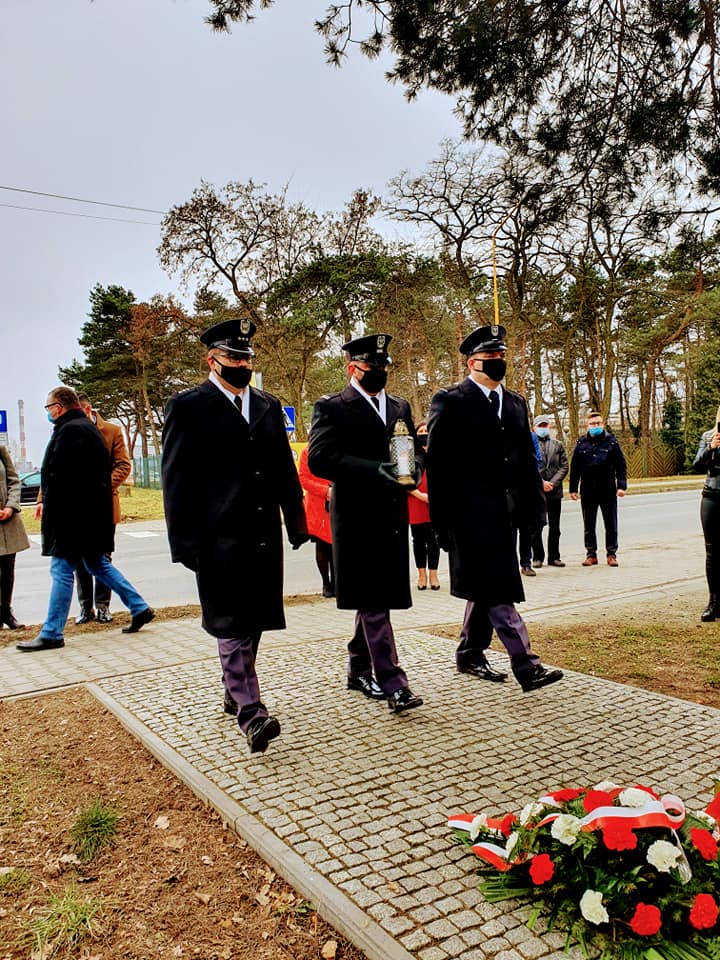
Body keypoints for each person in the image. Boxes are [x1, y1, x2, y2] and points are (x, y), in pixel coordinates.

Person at [162, 318, 309, 754]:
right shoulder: (188, 406)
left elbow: (284, 467)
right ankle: (252, 713)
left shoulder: (266, 404)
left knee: (255, 619)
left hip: (262, 534)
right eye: (234, 357)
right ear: (213, 360)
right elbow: (175, 479)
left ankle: (234, 688)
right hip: (216, 537)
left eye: (247, 358)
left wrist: (297, 521)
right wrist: (184, 542)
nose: (243, 364)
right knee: (232, 623)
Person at [426, 324, 563, 693]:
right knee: (499, 590)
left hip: (506, 514)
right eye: (492, 357)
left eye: (502, 356)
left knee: (484, 587)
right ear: (473, 362)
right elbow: (438, 465)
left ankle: (470, 652)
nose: (499, 362)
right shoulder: (450, 400)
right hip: (468, 516)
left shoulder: (515, 402)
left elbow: (524, 462)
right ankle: (526, 664)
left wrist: (535, 511)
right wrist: (440, 521)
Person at [308, 333, 423, 714]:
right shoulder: (332, 408)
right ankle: (394, 683)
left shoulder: (400, 406)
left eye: (383, 366)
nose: (378, 372)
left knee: (377, 600)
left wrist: (413, 474)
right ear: (352, 368)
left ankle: (358, 670)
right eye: (371, 366)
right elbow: (321, 459)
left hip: (391, 516)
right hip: (356, 518)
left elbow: (411, 453)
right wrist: (376, 470)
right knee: (374, 602)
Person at [17, 387, 154, 653]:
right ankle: (139, 607)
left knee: (61, 570)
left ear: (58, 406)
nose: (48, 413)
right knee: (97, 564)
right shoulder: (81, 429)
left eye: (48, 408)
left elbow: (64, 477)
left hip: (73, 519)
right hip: (87, 516)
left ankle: (52, 632)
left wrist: (56, 510)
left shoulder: (71, 432)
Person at [74, 393, 132, 624]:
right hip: (76, 507)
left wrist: (101, 487)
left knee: (102, 557)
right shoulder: (68, 431)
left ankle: (103, 606)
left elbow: (123, 465)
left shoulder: (112, 431)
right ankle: (85, 608)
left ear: (88, 411)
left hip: (104, 505)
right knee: (80, 560)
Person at [569, 411, 627, 566]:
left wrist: (622, 485)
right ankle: (591, 554)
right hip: (588, 489)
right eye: (592, 424)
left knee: (611, 523)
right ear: (587, 426)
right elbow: (575, 467)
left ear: (603, 424)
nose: (595, 426)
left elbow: (621, 465)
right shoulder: (581, 443)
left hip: (607, 488)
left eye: (598, 423)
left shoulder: (611, 442)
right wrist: (573, 489)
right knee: (589, 524)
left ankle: (611, 554)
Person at [529, 414, 569, 568]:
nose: (543, 428)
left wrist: (552, 483)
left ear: (550, 427)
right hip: (536, 491)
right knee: (536, 526)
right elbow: (528, 466)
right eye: (540, 426)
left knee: (555, 526)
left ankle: (554, 556)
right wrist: (540, 482)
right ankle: (537, 557)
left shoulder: (557, 444)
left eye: (545, 425)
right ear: (534, 428)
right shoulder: (530, 445)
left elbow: (564, 466)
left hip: (554, 491)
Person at [298, 441, 334, 598]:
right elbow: (304, 479)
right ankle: (326, 583)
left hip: (337, 502)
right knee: (322, 545)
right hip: (318, 505)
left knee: (336, 546)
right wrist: (326, 490)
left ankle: (338, 582)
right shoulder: (308, 451)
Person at [692, 419, 720, 622]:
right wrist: (711, 448)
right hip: (711, 495)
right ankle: (714, 602)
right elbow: (697, 465)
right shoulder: (708, 436)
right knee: (712, 552)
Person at [0, 445, 30, 629]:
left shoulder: (0, 450)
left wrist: (11, 506)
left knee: (7, 570)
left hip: (7, 521)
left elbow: (14, 480)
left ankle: (6, 612)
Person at [408, 423, 440, 591]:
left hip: (434, 503)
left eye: (427, 431)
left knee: (433, 540)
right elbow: (404, 479)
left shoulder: (438, 453)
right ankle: (421, 575)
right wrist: (420, 495)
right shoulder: (409, 454)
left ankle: (434, 574)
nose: (424, 434)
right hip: (415, 502)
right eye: (420, 431)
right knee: (418, 541)